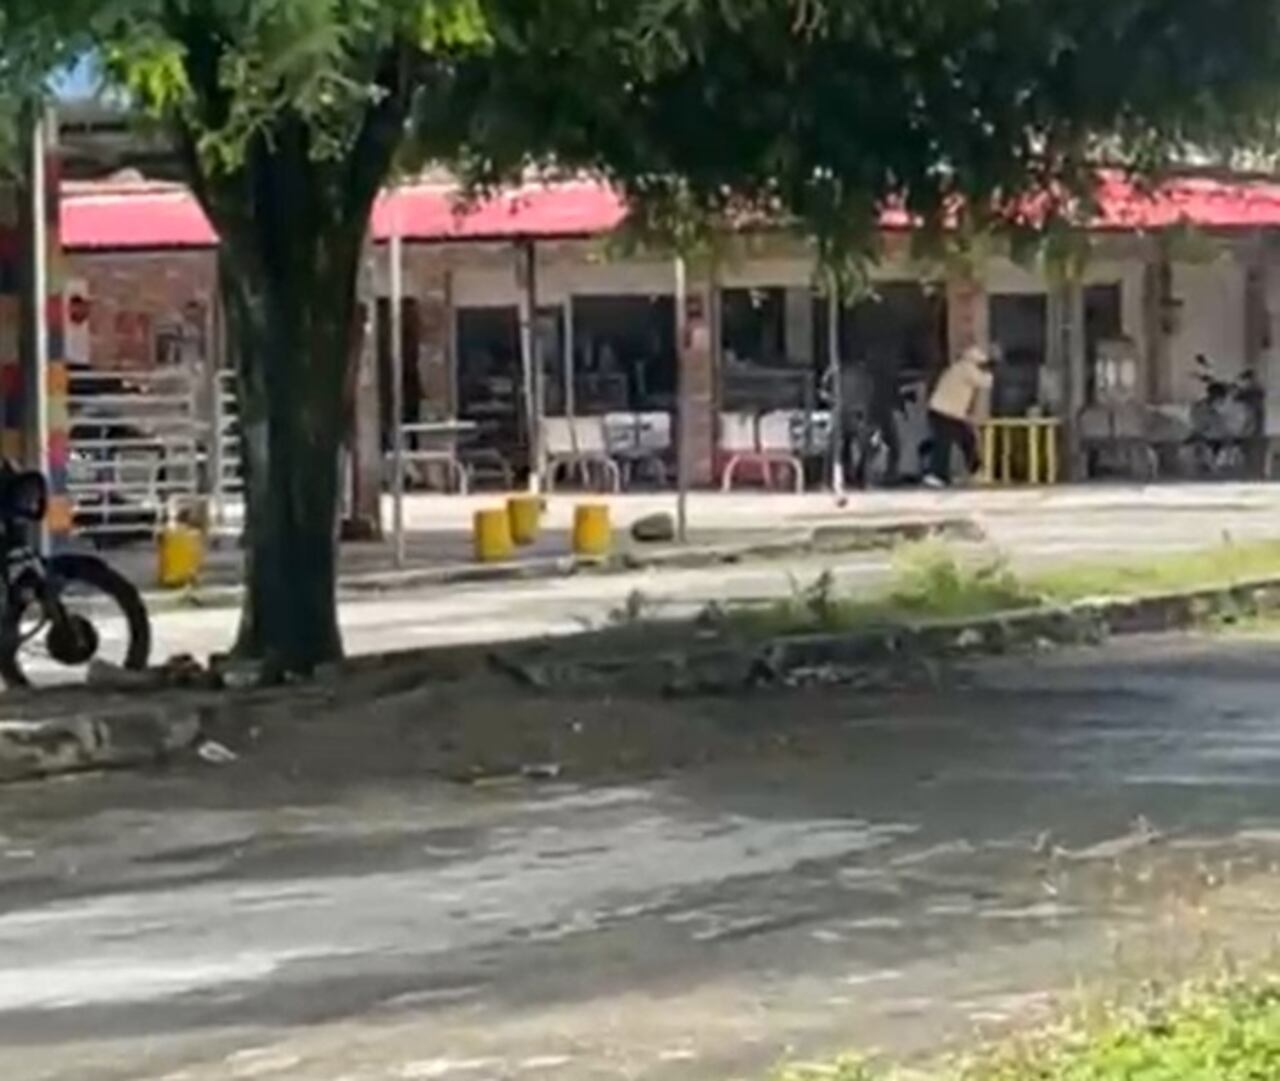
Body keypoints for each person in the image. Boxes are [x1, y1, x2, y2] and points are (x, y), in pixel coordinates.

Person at [923, 345, 994, 487]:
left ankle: (941, 474)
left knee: (953, 441)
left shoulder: (956, 368)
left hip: (942, 411)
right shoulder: (966, 369)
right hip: (946, 412)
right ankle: (939, 475)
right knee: (956, 441)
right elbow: (986, 382)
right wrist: (991, 369)